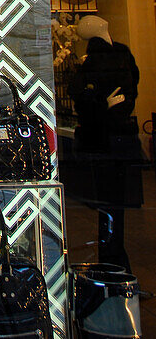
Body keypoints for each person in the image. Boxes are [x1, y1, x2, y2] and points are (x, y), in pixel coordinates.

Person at [69, 14, 143, 270]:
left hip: (107, 141)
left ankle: (113, 261)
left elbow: (84, 96)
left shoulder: (110, 58)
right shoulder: (99, 61)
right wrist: (106, 105)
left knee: (110, 204)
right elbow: (82, 97)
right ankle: (113, 260)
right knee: (111, 204)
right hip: (111, 141)